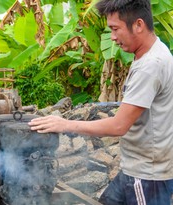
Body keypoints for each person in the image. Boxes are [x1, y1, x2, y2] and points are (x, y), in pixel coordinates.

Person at [29, 0, 173, 204]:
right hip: (133, 169)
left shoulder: (151, 66)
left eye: (116, 29)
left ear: (139, 25)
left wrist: (64, 124)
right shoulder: (149, 54)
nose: (112, 37)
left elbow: (118, 125)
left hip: (147, 177)